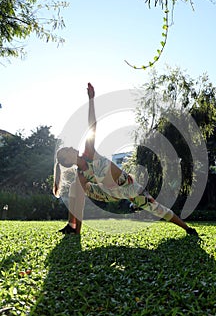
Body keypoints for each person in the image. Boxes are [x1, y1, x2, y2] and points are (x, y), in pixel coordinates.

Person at [53, 83, 198, 236]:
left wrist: (91, 100)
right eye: (67, 150)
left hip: (128, 187)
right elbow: (79, 204)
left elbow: (92, 126)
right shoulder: (81, 175)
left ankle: (188, 229)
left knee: (157, 208)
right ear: (67, 161)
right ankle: (72, 226)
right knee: (75, 187)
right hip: (108, 193)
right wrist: (78, 232)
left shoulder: (89, 152)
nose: (70, 147)